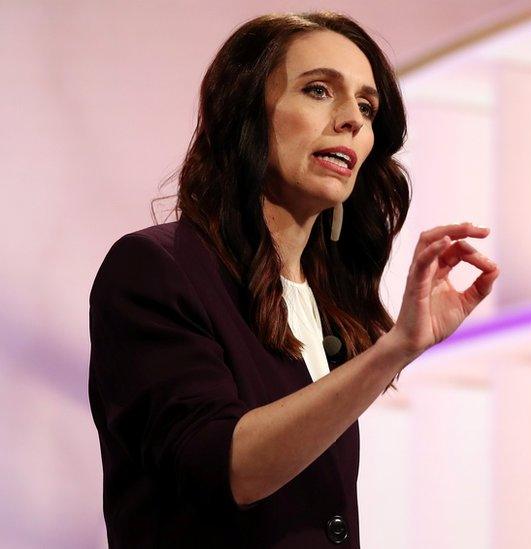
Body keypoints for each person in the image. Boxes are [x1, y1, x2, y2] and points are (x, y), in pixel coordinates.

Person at [87, 11, 499, 548]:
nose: (351, 118)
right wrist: (393, 349)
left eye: (367, 106)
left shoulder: (324, 305)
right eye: (319, 89)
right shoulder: (155, 270)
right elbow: (226, 468)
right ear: (245, 115)